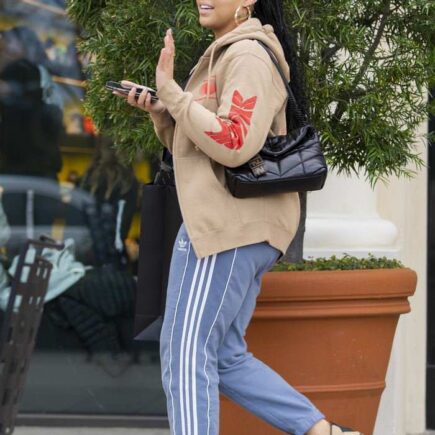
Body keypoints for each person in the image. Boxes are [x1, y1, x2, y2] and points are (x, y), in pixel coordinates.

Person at [114, 1, 362, 434]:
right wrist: (163, 112)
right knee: (225, 356)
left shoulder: (247, 55)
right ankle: (322, 432)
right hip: (236, 225)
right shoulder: (228, 52)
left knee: (187, 353)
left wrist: (172, 91)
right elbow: (206, 147)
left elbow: (235, 144)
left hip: (225, 227)